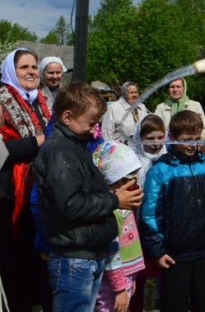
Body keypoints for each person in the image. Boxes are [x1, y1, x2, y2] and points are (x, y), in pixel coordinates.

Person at [33, 82, 143, 312]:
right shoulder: (59, 151)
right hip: (74, 259)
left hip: (87, 253)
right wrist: (115, 200)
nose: (95, 129)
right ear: (67, 117)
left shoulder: (75, 145)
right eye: (91, 123)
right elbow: (70, 205)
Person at [140, 110, 205, 312]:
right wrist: (157, 250)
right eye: (187, 139)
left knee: (201, 303)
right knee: (174, 304)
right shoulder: (160, 171)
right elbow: (150, 215)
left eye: (197, 139)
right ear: (171, 138)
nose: (193, 145)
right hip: (174, 256)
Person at [0, 48, 51, 311]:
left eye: (34, 67)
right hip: (10, 194)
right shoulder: (1, 101)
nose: (31, 72)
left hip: (40, 191)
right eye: (24, 67)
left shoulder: (42, 100)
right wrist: (37, 142)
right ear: (11, 70)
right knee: (14, 257)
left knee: (36, 256)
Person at [92, 141, 145, 312]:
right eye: (131, 179)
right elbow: (111, 252)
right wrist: (120, 288)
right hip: (113, 283)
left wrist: (132, 276)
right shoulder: (112, 209)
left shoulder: (124, 204)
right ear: (115, 179)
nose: (136, 183)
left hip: (125, 276)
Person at [129, 114, 167, 312]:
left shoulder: (168, 159)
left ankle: (163, 301)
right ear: (139, 136)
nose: (155, 143)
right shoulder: (132, 162)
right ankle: (136, 305)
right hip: (138, 226)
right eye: (150, 138)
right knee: (139, 272)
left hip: (164, 226)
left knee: (163, 268)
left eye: (160, 137)